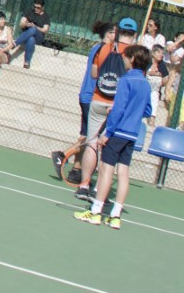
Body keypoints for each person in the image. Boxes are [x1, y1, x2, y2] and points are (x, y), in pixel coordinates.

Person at [74, 44, 154, 229]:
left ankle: (96, 212)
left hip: (117, 132)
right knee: (123, 173)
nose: (123, 60)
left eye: (126, 57)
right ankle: (115, 215)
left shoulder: (126, 80)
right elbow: (147, 110)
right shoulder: (145, 83)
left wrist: (107, 133)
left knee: (105, 170)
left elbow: (119, 110)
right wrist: (131, 113)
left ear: (132, 59)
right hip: (132, 134)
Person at [73, 18, 138, 199]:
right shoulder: (135, 53)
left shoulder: (104, 48)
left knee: (91, 143)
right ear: (134, 34)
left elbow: (94, 73)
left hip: (98, 99)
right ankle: (98, 190)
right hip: (117, 105)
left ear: (118, 31)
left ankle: (84, 185)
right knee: (107, 149)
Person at [51, 20, 116, 188]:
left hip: (86, 95)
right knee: (91, 137)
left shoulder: (97, 48)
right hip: (92, 97)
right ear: (109, 34)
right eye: (115, 33)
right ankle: (62, 156)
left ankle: (76, 170)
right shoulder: (105, 50)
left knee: (85, 134)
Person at [14, 0, 50, 69]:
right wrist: (26, 24)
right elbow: (21, 24)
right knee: (31, 39)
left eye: (38, 8)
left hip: (38, 37)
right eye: (34, 7)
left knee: (33, 29)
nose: (36, 9)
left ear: (43, 7)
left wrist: (36, 27)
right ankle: (27, 62)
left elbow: (45, 29)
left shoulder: (46, 16)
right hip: (27, 34)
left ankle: (15, 43)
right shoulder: (29, 11)